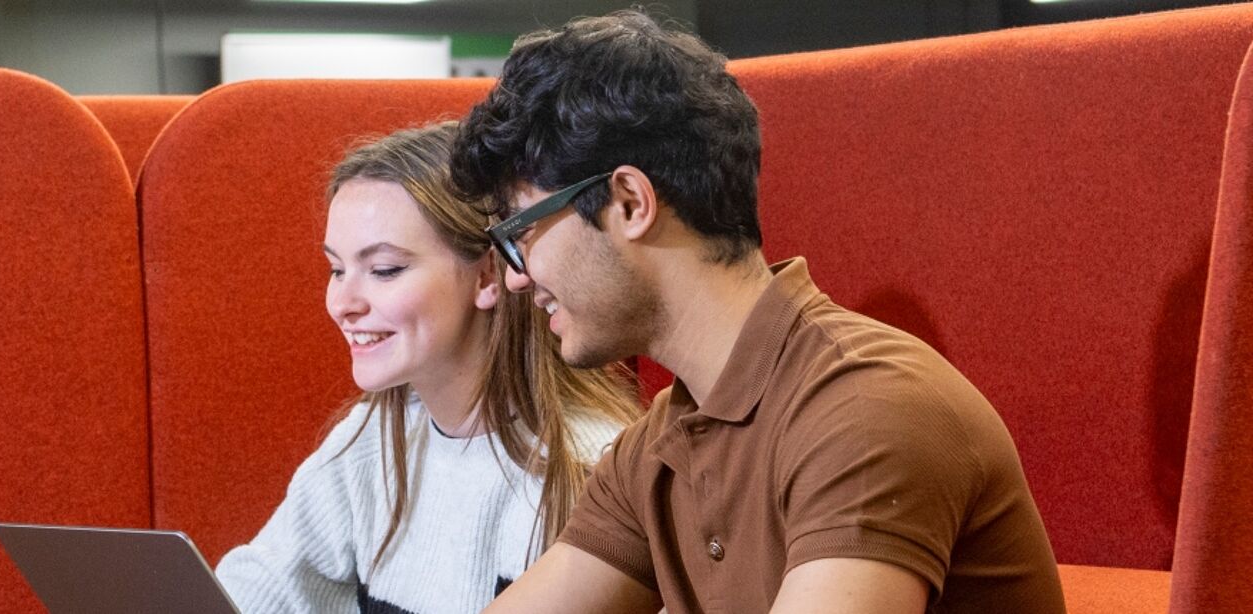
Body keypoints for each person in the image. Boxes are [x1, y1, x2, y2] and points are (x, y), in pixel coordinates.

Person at [449, 11, 1064, 613]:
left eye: (521, 230)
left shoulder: (864, 409)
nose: (515, 277)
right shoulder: (659, 444)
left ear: (630, 203)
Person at [214, 121, 643, 614]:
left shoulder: (582, 469)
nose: (342, 303)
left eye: (384, 270)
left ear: (488, 275)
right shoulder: (372, 438)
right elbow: (255, 590)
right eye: (336, 269)